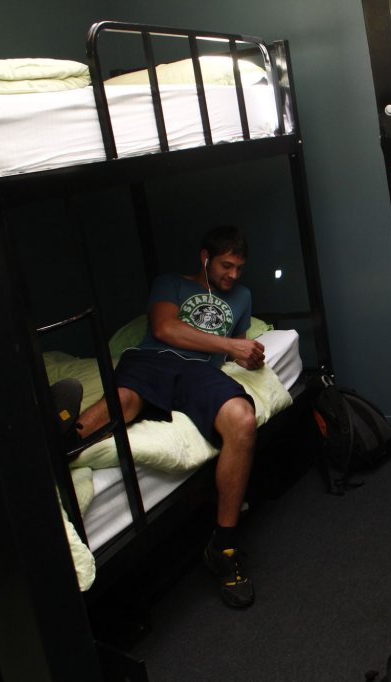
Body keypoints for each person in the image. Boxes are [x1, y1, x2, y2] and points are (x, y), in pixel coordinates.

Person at [71, 225, 264, 608]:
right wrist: (230, 344)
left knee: (242, 418)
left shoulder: (242, 297)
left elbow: (235, 349)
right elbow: (164, 328)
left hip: (200, 373)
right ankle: (60, 444)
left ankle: (223, 547)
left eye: (239, 268)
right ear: (205, 258)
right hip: (153, 360)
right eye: (226, 266)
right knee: (123, 401)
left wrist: (248, 355)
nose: (233, 275)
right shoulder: (170, 283)